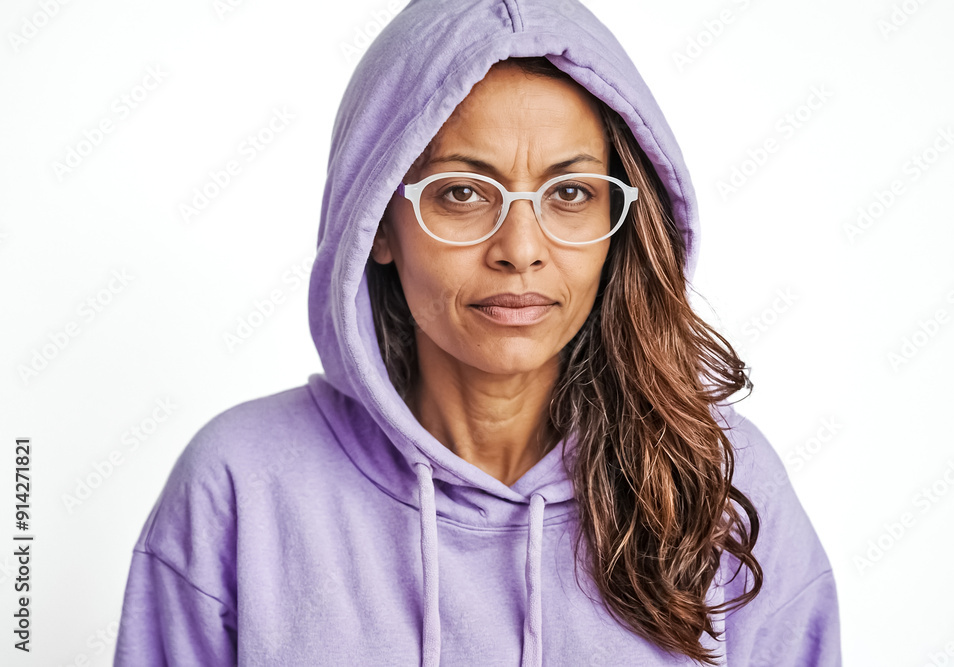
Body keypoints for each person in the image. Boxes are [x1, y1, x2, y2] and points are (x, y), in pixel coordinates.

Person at [113, 0, 841, 665]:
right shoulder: (240, 484)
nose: (520, 248)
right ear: (378, 223)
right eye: (462, 192)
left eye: (571, 193)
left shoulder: (719, 479)